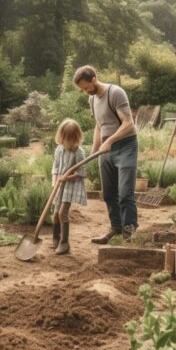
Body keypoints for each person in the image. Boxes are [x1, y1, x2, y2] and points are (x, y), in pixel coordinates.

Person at [73, 65, 138, 243]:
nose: (86, 92)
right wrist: (96, 149)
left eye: (86, 87)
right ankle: (115, 228)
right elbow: (99, 125)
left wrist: (109, 141)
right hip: (106, 150)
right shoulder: (92, 100)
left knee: (125, 193)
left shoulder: (115, 93)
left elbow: (128, 123)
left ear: (94, 78)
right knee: (109, 194)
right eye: (82, 89)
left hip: (126, 146)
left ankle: (130, 234)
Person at [50, 119, 88, 255]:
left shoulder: (79, 152)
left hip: (70, 187)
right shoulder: (59, 150)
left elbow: (82, 173)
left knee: (62, 213)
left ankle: (65, 243)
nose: (68, 142)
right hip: (59, 185)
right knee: (55, 214)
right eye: (65, 138)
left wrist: (67, 177)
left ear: (76, 138)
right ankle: (56, 239)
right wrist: (55, 180)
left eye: (71, 139)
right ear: (61, 137)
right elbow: (55, 166)